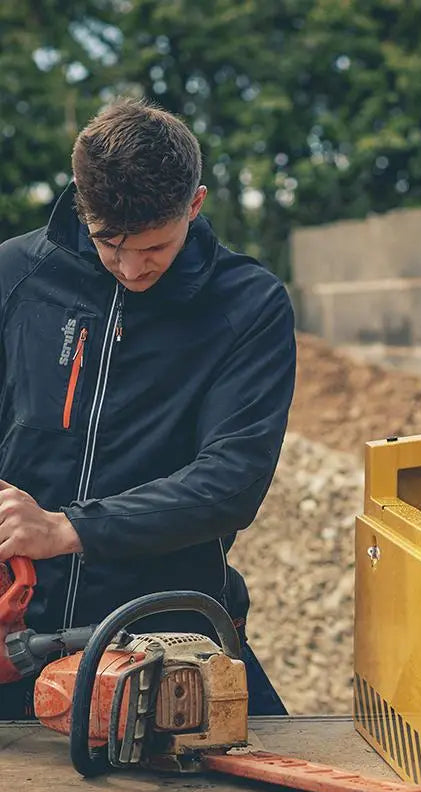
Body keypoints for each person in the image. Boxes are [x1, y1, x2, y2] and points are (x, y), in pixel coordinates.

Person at [0, 97, 295, 719]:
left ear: (195, 204)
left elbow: (230, 483)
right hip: (14, 642)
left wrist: (66, 529)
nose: (132, 269)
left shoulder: (249, 306)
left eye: (155, 247)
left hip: (166, 642)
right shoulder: (14, 278)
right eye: (110, 244)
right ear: (83, 209)